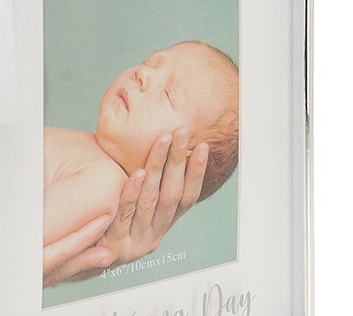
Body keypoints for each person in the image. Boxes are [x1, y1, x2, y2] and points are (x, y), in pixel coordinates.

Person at [43, 41, 238, 287]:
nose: (143, 74)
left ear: (178, 160)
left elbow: (14, 237)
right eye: (150, 63)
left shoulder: (103, 184)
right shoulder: (89, 150)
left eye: (168, 95)